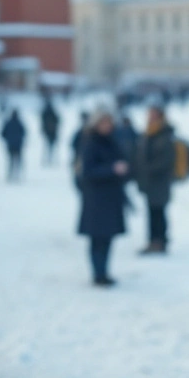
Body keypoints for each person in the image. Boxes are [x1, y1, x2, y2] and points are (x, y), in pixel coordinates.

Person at [77, 109, 130, 287]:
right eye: (104, 123)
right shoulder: (90, 143)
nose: (107, 126)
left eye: (109, 123)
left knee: (107, 237)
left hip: (111, 196)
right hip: (96, 198)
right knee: (97, 237)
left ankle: (104, 271)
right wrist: (112, 169)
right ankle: (98, 273)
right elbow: (87, 172)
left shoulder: (113, 140)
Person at [133, 105, 177, 255]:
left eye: (152, 114)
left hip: (160, 182)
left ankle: (159, 242)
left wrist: (147, 169)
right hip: (150, 182)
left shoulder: (164, 134)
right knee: (153, 212)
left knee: (158, 212)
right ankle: (155, 241)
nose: (149, 117)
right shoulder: (149, 132)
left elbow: (166, 160)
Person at [1, 108, 27, 182]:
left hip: (10, 145)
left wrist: (8, 139)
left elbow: (3, 133)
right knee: (18, 160)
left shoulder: (8, 123)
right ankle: (17, 174)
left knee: (11, 160)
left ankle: (10, 174)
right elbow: (24, 132)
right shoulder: (19, 123)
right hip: (18, 145)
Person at [40, 97, 60, 167]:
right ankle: (49, 158)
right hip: (51, 132)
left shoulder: (45, 113)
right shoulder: (50, 113)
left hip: (50, 132)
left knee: (48, 146)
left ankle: (49, 158)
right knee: (50, 146)